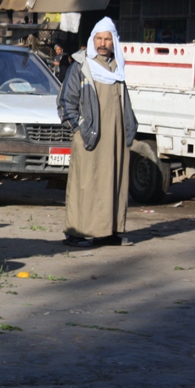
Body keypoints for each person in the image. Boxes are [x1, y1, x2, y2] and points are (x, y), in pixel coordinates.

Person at [57, 17, 137, 248]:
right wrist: (79, 129)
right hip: (90, 137)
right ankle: (76, 234)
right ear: (93, 40)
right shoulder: (81, 67)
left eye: (107, 39)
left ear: (114, 42)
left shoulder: (117, 68)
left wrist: (129, 130)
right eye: (99, 38)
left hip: (116, 138)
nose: (102, 43)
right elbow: (65, 103)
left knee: (113, 183)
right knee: (86, 185)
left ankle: (108, 232)